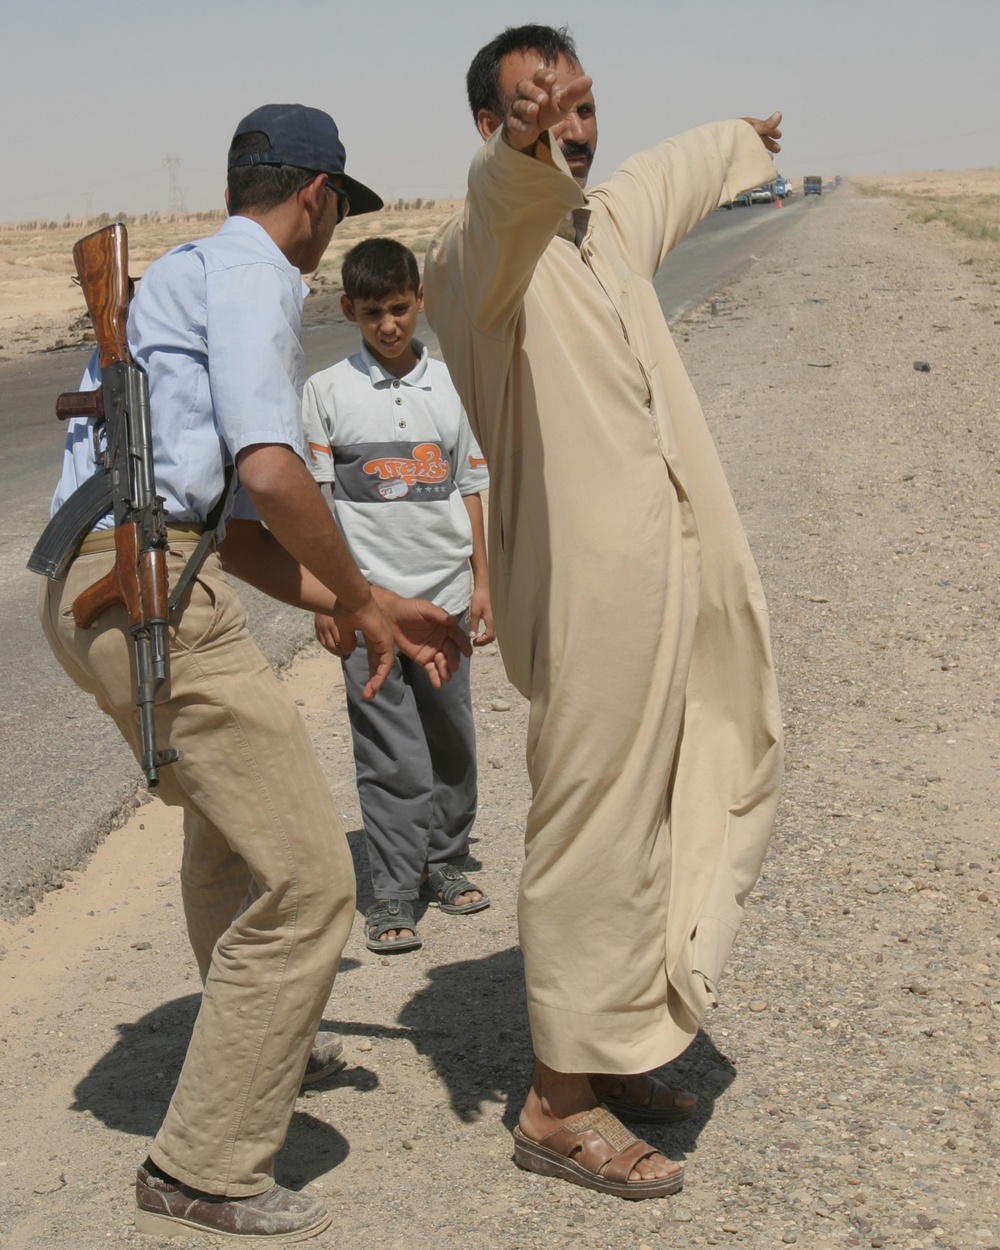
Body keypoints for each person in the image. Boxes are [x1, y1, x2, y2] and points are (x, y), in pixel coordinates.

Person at [38, 103, 469, 1242]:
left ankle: (267, 1038)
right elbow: (273, 474)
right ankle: (205, 1164)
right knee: (314, 883)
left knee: (229, 837)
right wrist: (367, 595)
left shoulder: (185, 273)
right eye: (335, 213)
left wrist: (359, 601)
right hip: (153, 594)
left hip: (107, 582)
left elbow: (235, 530)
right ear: (318, 195)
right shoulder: (258, 275)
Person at [423, 25, 785, 1199]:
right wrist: (516, 153)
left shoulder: (601, 231)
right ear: (491, 127)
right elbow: (493, 209)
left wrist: (739, 138)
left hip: (669, 576)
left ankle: (619, 1041)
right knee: (591, 827)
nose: (568, 127)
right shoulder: (473, 263)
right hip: (584, 599)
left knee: (664, 809)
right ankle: (553, 1102)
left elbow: (657, 179)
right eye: (537, 109)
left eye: (577, 105)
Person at [301, 236, 494, 953]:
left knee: (450, 736)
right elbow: (315, 509)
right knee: (389, 749)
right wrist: (331, 601)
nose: (389, 326)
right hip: (367, 608)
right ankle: (391, 891)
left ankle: (445, 864)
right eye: (373, 312)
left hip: (444, 596)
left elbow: (472, 488)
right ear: (349, 309)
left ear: (421, 302)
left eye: (401, 309)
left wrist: (482, 582)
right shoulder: (325, 393)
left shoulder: (451, 386)